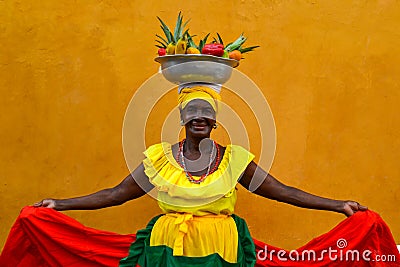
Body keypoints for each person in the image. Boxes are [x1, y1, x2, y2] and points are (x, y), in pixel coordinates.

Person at [33, 84, 367, 266]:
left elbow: (283, 190)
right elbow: (115, 194)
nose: (199, 117)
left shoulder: (233, 159)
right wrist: (58, 205)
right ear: (182, 119)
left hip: (219, 248)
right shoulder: (160, 158)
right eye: (192, 111)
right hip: (167, 247)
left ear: (215, 121)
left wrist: (338, 206)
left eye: (206, 113)